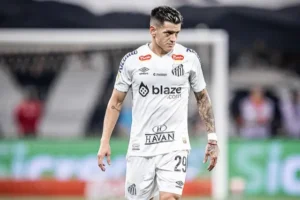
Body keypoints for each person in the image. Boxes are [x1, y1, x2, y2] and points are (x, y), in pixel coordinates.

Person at [97, 6, 219, 200]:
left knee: (170, 197)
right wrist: (104, 141)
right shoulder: (132, 61)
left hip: (175, 145)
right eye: (168, 33)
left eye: (177, 33)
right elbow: (116, 102)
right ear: (153, 31)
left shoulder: (189, 58)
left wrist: (212, 137)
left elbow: (202, 97)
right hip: (140, 148)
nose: (174, 39)